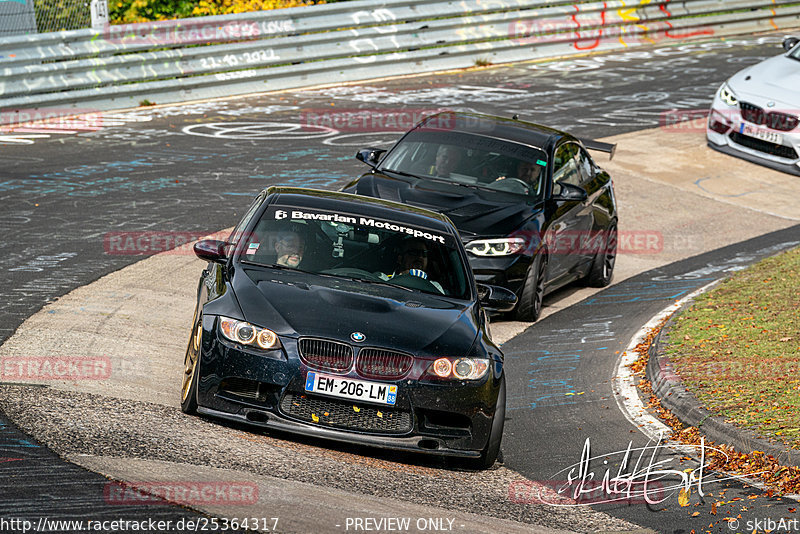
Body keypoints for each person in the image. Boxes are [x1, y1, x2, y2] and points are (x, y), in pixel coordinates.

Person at [379, 238, 444, 294]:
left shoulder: (435, 287)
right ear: (400, 259)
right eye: (414, 253)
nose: (420, 257)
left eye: (424, 254)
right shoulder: (382, 279)